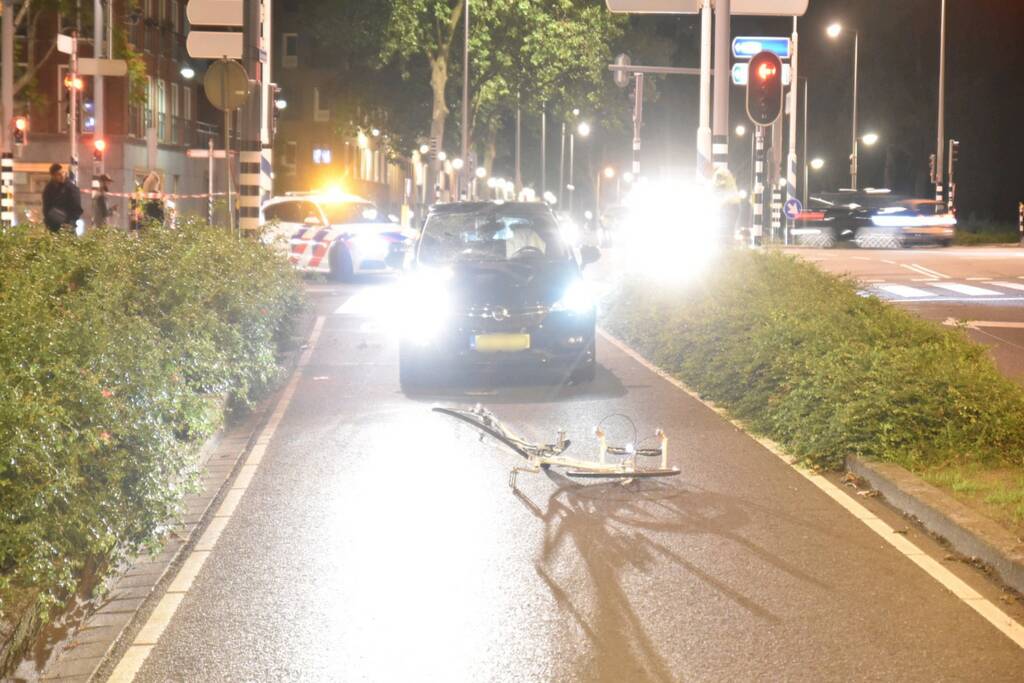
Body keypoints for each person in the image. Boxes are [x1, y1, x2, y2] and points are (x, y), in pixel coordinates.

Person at [41, 163, 83, 234]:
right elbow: (46, 207)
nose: (62, 176)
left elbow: (77, 207)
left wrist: (70, 222)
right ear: (53, 176)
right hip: (53, 226)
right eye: (58, 174)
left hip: (68, 225)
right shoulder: (48, 189)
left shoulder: (71, 188)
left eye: (62, 173)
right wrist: (48, 221)